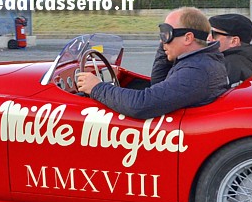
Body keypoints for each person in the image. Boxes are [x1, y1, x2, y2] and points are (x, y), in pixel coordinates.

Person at [76, 7, 229, 120]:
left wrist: (97, 88)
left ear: (188, 38)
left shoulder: (197, 71)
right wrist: (165, 45)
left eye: (167, 34)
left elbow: (142, 105)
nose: (163, 40)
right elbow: (159, 85)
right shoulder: (201, 60)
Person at [208, 13, 252, 85]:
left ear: (234, 41)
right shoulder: (244, 59)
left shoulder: (230, 64)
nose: (209, 38)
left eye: (214, 34)